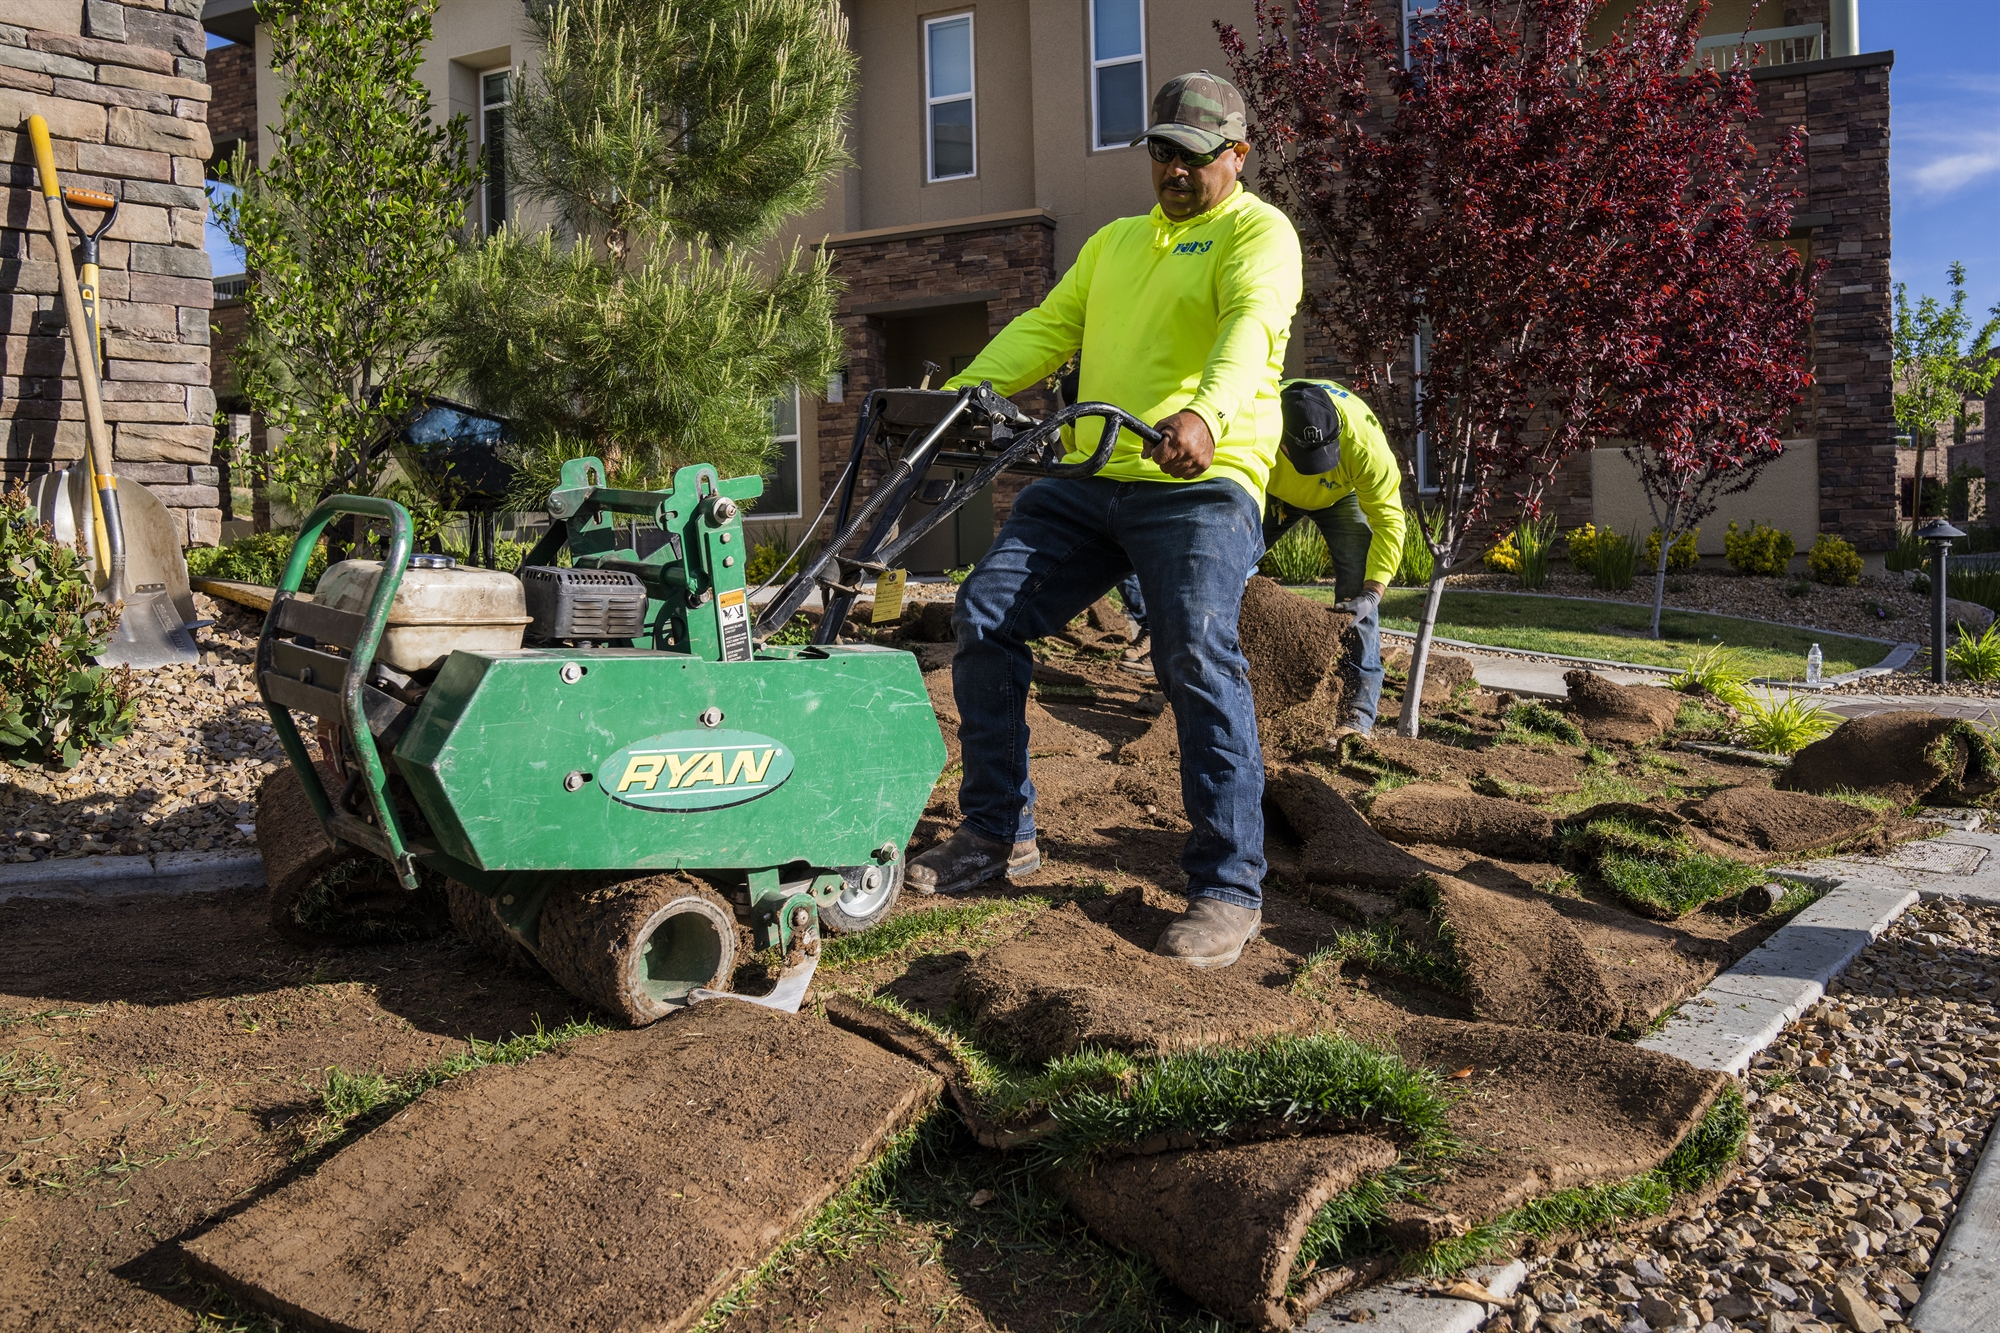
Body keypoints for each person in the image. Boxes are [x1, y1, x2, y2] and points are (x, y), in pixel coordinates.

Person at [905, 71, 1304, 971]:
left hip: (1202, 480)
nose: (1172, 169)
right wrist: (959, 398)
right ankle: (998, 833)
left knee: (1194, 645)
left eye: (1193, 156)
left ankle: (1229, 885)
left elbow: (1251, 330)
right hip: (1094, 474)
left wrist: (1204, 415)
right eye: (1161, 151)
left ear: (1236, 154)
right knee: (985, 614)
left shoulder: (1258, 233)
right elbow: (1048, 328)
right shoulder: (1117, 242)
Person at [1262, 379, 1407, 736]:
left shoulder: (1365, 442)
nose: (1322, 468)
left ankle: (1357, 714)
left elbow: (1389, 520)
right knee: (1226, 570)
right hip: (1269, 489)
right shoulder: (1255, 421)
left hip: (1341, 498)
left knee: (1357, 590)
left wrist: (1372, 594)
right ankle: (1214, 682)